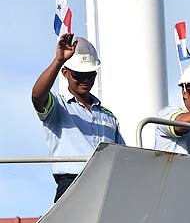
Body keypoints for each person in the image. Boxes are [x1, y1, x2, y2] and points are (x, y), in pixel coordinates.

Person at [31, 33, 125, 202]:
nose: (85, 80)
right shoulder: (58, 106)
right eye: (79, 75)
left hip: (107, 184)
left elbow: (122, 156)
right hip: (72, 182)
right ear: (65, 73)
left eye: (90, 75)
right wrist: (58, 60)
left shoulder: (109, 117)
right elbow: (37, 96)